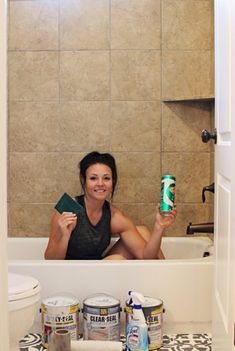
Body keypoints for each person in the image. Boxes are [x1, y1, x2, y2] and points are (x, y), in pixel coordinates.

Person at [44, 151, 177, 260]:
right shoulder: (69, 208)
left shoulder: (114, 215)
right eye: (93, 178)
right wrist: (65, 235)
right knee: (117, 260)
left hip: (97, 271)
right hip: (69, 273)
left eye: (106, 178)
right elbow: (49, 260)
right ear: (83, 181)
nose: (100, 184)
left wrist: (159, 227)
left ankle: (165, 275)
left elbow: (145, 257)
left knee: (143, 231)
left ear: (113, 182)